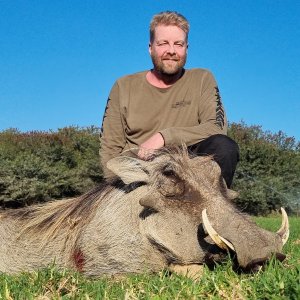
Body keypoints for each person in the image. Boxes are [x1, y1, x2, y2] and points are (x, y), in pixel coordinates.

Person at [100, 11, 239, 187]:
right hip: (140, 175)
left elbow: (216, 127)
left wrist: (164, 137)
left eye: (178, 44)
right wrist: (116, 188)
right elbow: (110, 148)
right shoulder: (123, 86)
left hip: (189, 174)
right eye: (163, 43)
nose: (171, 51)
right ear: (151, 48)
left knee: (224, 146)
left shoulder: (203, 78)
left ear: (186, 48)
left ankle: (214, 211)